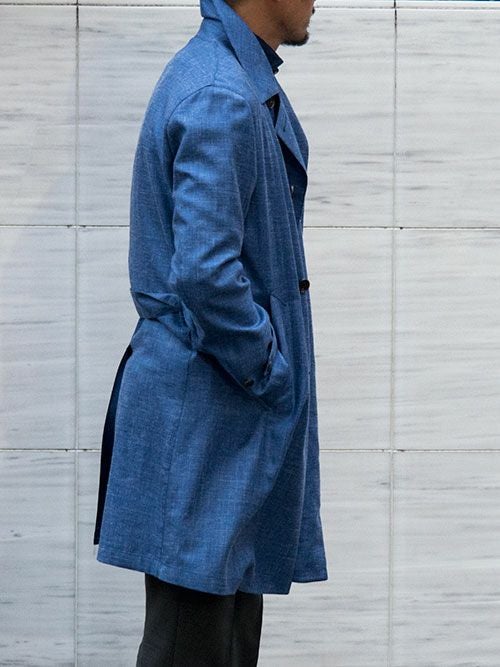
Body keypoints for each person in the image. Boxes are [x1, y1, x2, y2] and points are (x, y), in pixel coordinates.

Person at [92, 0, 328, 663]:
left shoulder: (230, 80)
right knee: (193, 649)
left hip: (219, 420)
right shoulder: (221, 93)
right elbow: (205, 273)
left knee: (215, 646)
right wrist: (270, 370)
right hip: (209, 421)